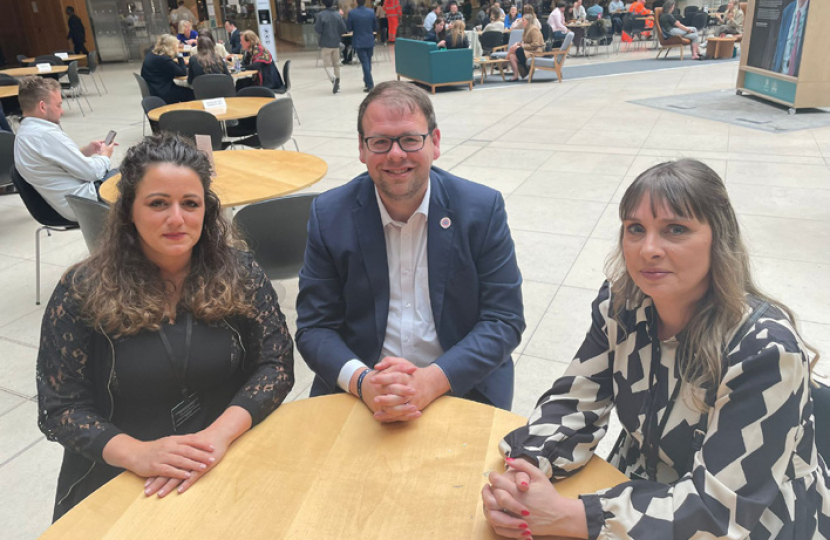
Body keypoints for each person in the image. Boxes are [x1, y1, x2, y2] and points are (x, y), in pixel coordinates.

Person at [482, 158, 829, 540]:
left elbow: (719, 510)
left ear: (719, 238)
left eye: (675, 230)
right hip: (639, 490)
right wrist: (528, 471)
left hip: (755, 521)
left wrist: (570, 515)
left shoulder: (765, 351)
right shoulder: (623, 303)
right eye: (635, 229)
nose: (648, 249)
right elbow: (576, 401)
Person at [37, 133, 294, 521]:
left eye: (190, 203)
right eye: (158, 203)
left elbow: (276, 365)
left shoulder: (239, 272)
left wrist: (218, 436)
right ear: (129, 212)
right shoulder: (82, 290)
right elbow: (61, 408)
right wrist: (138, 453)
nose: (177, 218)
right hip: (123, 474)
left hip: (226, 457)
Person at [295, 81, 525, 423]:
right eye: (380, 141)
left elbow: (503, 320)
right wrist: (364, 382)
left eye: (410, 139)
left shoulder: (481, 209)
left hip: (460, 384)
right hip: (361, 391)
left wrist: (430, 381)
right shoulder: (330, 215)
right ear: (361, 148)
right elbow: (314, 327)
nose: (396, 154)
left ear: (434, 142)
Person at [13, 76, 116, 221]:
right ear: (42, 107)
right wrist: (105, 156)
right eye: (58, 105)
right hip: (85, 203)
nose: (62, 111)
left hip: (67, 202)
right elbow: (91, 172)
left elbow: (55, 165)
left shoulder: (24, 133)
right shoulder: (45, 135)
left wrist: (85, 152)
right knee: (137, 176)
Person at [141, 34, 194, 105]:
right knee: (191, 93)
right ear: (171, 47)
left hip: (154, 88)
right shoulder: (164, 60)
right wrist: (179, 55)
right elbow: (182, 72)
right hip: (163, 92)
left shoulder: (152, 54)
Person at [315, 0, 347, 94]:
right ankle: (338, 85)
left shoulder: (321, 15)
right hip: (336, 43)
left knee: (327, 65)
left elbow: (318, 29)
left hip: (325, 43)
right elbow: (343, 29)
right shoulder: (337, 15)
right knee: (336, 64)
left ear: (323, 3)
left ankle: (333, 79)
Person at [348, 0, 379, 92]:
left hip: (358, 41)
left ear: (356, 2)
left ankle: (370, 84)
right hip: (369, 40)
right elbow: (375, 27)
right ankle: (367, 80)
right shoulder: (371, 12)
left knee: (365, 62)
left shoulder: (352, 13)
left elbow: (349, 28)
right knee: (368, 61)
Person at [773, 0, 808, 77]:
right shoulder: (788, 10)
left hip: (800, 79)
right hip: (781, 74)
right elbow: (780, 45)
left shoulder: (815, 12)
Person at [508, 12, 543, 80]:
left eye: (523, 20)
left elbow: (536, 44)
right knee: (512, 56)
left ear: (528, 21)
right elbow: (524, 41)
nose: (522, 21)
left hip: (534, 51)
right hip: (528, 50)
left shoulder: (534, 29)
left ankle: (526, 68)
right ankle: (515, 76)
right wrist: (519, 43)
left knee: (517, 49)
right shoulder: (526, 29)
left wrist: (523, 46)